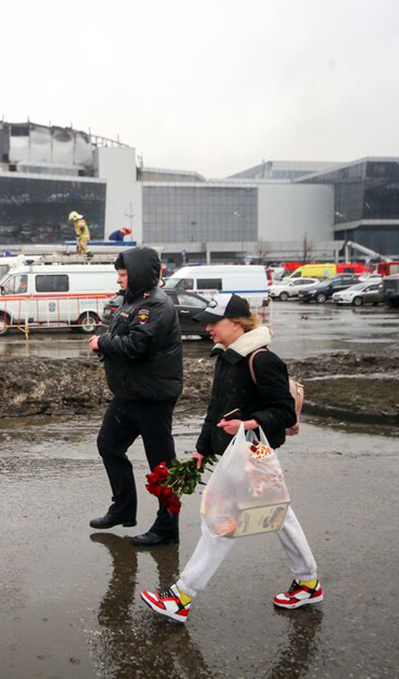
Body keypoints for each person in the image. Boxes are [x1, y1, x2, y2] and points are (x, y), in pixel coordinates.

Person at [140, 294, 321, 622]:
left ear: (237, 323)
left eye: (214, 322)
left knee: (220, 521)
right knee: (280, 513)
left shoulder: (262, 360)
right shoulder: (227, 357)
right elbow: (215, 408)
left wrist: (247, 424)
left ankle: (181, 596)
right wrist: (201, 448)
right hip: (239, 449)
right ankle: (308, 581)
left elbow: (282, 411)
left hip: (252, 449)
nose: (207, 327)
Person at [88, 246, 183, 546]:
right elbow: (123, 338)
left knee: (162, 467)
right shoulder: (131, 302)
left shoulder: (156, 305)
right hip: (128, 395)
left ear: (138, 275)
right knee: (108, 445)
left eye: (123, 275)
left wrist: (102, 342)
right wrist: (107, 343)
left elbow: (136, 345)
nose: (119, 281)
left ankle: (167, 528)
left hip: (153, 398)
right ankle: (124, 509)